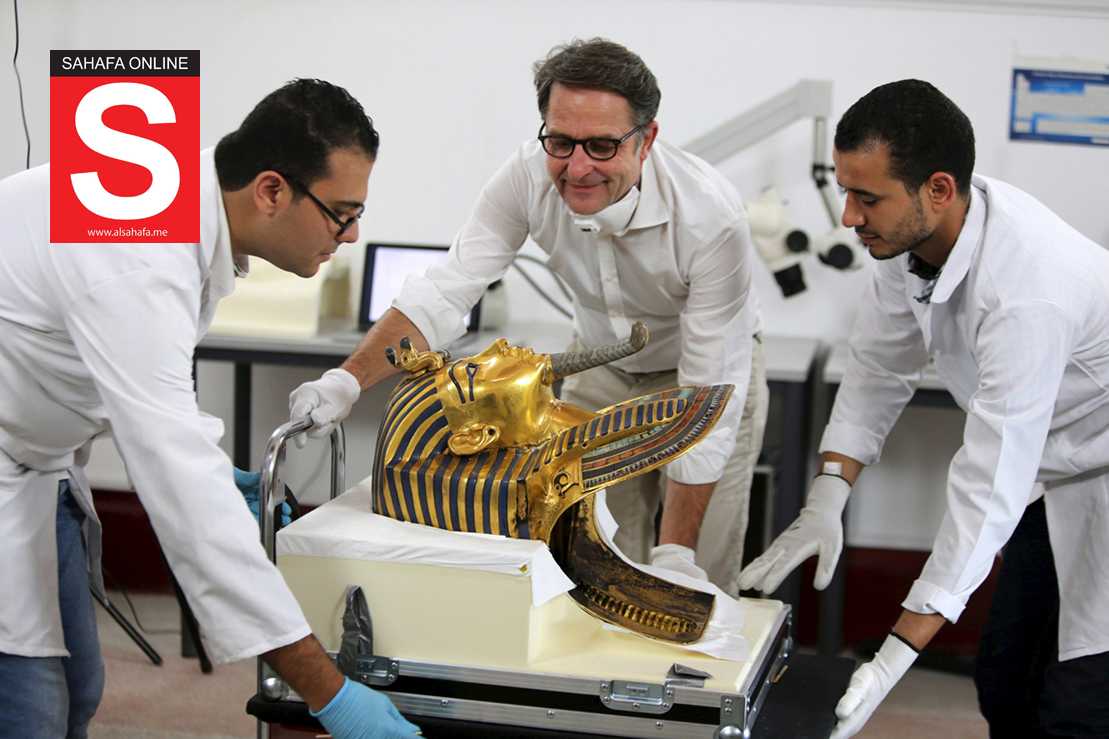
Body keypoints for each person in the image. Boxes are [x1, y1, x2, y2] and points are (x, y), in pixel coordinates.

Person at [0, 78, 418, 739]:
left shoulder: (175, 207)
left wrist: (215, 471)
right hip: (13, 460)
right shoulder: (138, 249)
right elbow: (180, 487)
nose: (351, 233)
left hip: (31, 462)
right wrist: (328, 692)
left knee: (78, 690)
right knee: (29, 711)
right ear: (271, 190)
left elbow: (142, 376)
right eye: (341, 213)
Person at [289, 38, 768, 593]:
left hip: (707, 374)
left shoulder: (711, 218)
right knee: (592, 558)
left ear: (647, 139)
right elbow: (444, 292)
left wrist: (677, 552)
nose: (578, 168)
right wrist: (347, 381)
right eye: (560, 142)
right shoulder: (524, 177)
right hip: (602, 369)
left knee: (693, 580)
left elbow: (709, 384)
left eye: (602, 146)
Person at [739, 79, 1109, 738]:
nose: (848, 217)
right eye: (846, 192)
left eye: (866, 197)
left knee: (1080, 708)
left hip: (1094, 477)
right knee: (1006, 682)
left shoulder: (1028, 291)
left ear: (937, 189)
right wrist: (827, 494)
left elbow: (987, 481)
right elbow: (880, 366)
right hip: (1051, 480)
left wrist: (893, 656)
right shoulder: (909, 238)